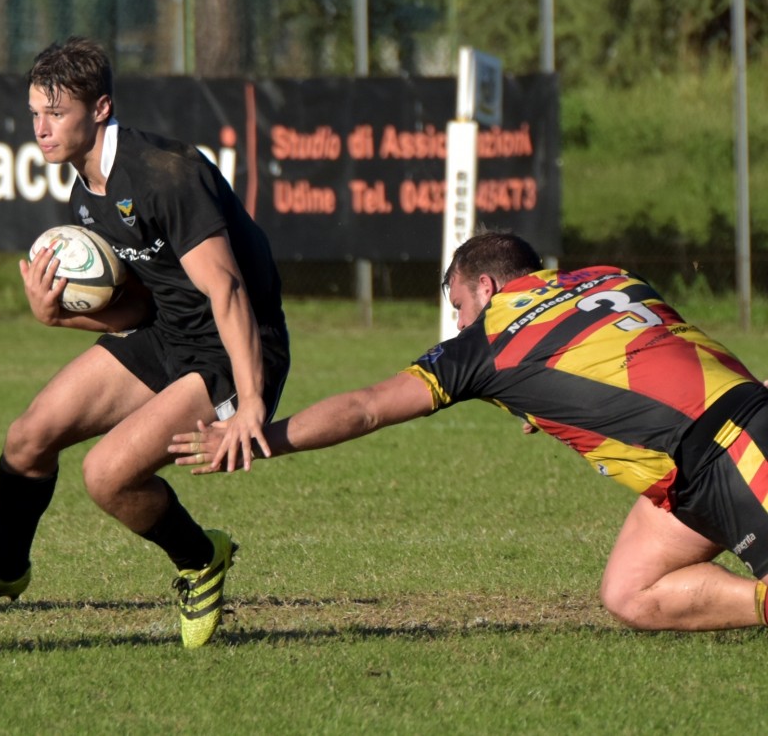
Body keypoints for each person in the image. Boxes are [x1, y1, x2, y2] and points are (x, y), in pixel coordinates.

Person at [171, 229, 768, 632]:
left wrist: (257, 437)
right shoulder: (611, 275)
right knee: (630, 594)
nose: (456, 323)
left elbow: (367, 407)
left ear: (486, 287)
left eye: (457, 305)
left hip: (730, 452)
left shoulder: (485, 346)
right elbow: (638, 352)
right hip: (708, 449)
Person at [0, 36, 290, 649]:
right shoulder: (85, 192)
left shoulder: (167, 174)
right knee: (29, 437)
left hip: (235, 351)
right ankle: (6, 568)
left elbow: (228, 292)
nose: (41, 128)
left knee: (107, 476)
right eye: (34, 112)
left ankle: (200, 560)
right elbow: (137, 306)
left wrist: (250, 404)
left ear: (101, 109)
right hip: (168, 333)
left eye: (55, 113)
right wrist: (57, 317)